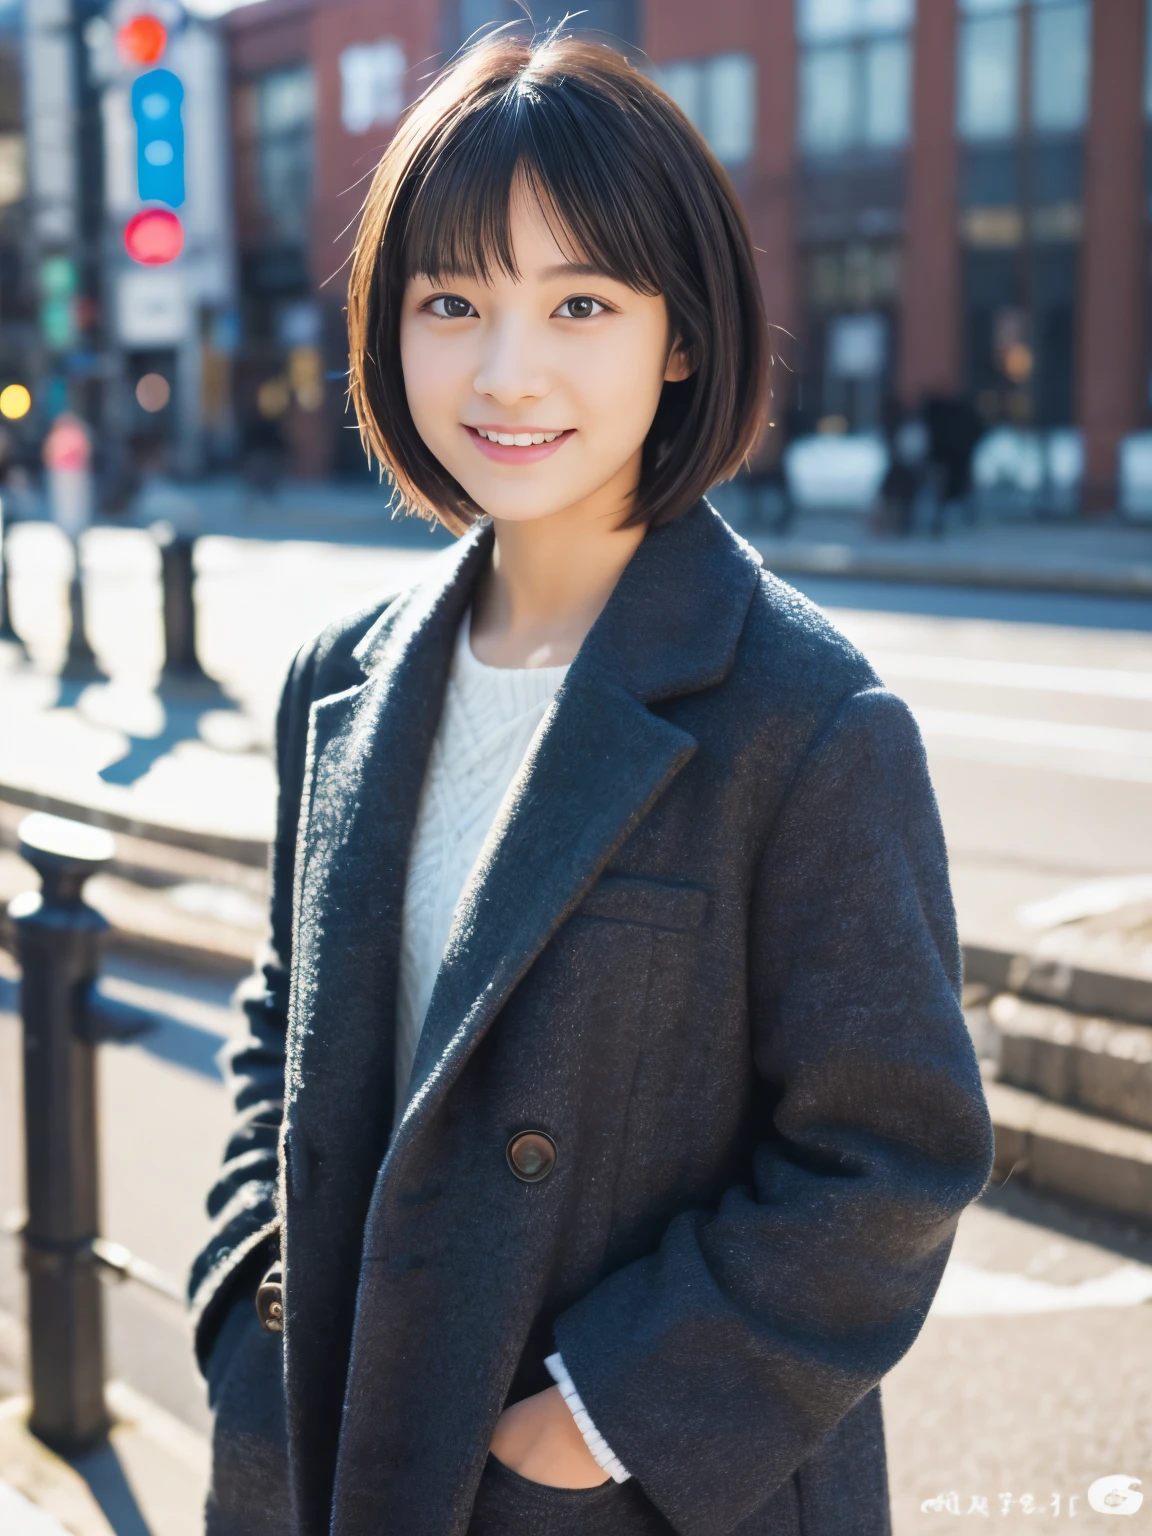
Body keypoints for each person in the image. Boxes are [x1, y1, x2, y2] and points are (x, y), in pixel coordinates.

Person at [190, 30, 994, 1536]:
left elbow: (897, 1152)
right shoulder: (341, 678)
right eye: (452, 302)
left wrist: (607, 1415)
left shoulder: (804, 716)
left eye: (579, 303)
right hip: (328, 1442)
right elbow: (281, 1024)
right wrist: (251, 1292)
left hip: (620, 1495)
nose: (507, 371)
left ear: (678, 335)